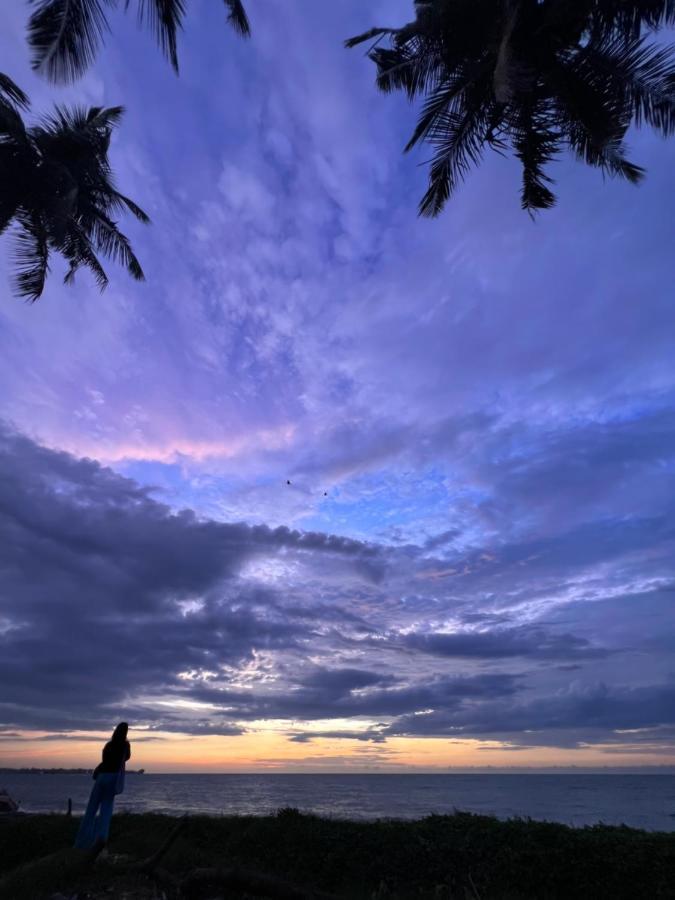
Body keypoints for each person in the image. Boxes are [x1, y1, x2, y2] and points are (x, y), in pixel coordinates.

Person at [74, 722, 131, 849]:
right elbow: (127, 757)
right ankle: (99, 842)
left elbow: (104, 760)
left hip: (101, 777)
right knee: (106, 810)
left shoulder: (108, 745)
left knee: (91, 809)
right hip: (112, 778)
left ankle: (81, 842)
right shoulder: (125, 745)